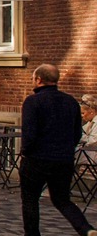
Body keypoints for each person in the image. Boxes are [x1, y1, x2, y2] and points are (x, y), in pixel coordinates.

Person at [19, 64, 96, 236]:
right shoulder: (71, 102)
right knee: (62, 200)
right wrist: (66, 149)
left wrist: (25, 151)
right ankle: (86, 229)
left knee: (30, 200)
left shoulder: (33, 101)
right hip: (63, 159)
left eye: (33, 78)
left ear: (38, 79)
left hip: (37, 159)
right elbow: (77, 133)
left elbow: (29, 133)